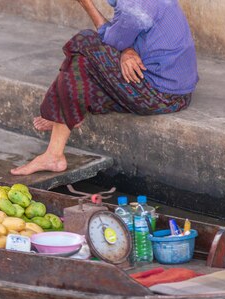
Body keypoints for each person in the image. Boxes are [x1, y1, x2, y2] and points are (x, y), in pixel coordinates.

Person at [11, 0, 198, 175]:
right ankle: (67, 115)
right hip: (176, 92)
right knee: (84, 66)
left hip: (161, 95)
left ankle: (61, 133)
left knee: (85, 43)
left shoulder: (134, 6)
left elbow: (112, 40)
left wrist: (87, 4)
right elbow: (123, 37)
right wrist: (126, 49)